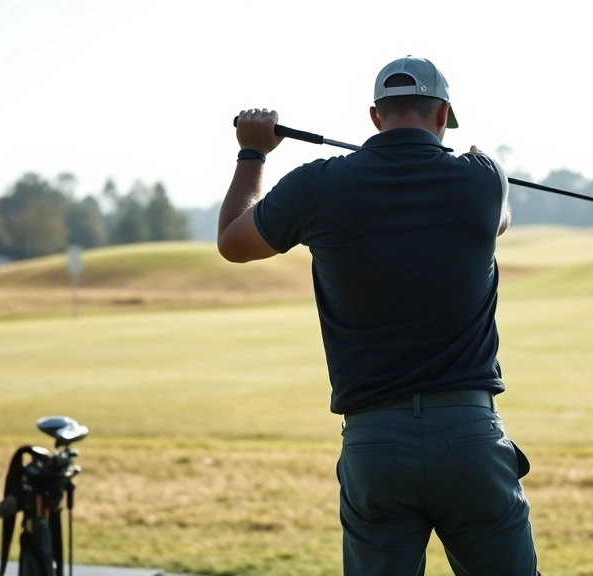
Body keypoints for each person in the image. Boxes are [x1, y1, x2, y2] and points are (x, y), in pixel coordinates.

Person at [216, 55, 541, 575]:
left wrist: (252, 151)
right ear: (443, 116)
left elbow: (234, 241)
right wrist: (484, 163)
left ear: (374, 117)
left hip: (375, 442)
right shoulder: (482, 179)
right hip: (469, 435)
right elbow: (498, 221)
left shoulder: (315, 185)